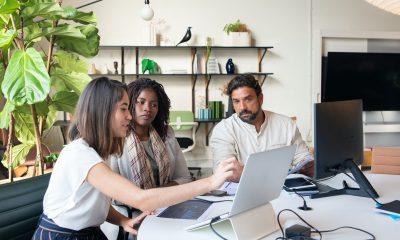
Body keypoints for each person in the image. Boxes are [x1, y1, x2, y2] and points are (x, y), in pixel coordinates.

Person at [32, 77, 234, 239]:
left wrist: (121, 221)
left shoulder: (97, 151)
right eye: (123, 109)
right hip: (62, 236)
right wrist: (210, 182)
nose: (129, 116)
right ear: (103, 112)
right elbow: (141, 199)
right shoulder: (80, 154)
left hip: (88, 233)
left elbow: (93, 203)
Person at [101, 78, 192, 238]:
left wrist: (156, 196)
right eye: (140, 102)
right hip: (128, 221)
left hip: (165, 211)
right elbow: (110, 192)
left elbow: (184, 178)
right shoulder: (116, 137)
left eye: (154, 104)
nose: (147, 109)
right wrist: (148, 198)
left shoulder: (166, 134)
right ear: (129, 104)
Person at [210, 74, 313, 182]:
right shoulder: (223, 129)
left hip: (284, 192)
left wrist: (307, 165)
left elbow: (302, 157)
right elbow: (226, 172)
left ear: (260, 99)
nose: (242, 107)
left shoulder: (286, 125)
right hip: (241, 194)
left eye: (248, 99)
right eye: (236, 101)